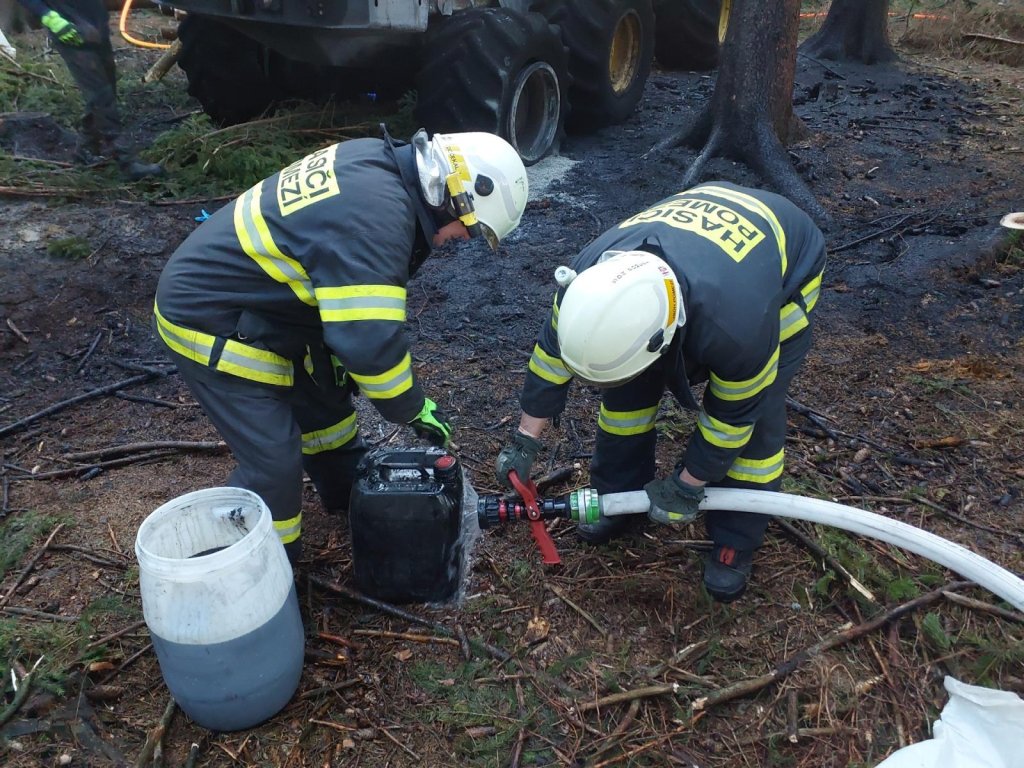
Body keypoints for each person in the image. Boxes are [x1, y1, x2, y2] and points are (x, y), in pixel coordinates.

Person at [154, 127, 528, 563]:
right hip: (209, 315)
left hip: (268, 310)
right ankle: (258, 576)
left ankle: (345, 490)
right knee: (274, 462)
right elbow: (370, 344)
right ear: (456, 194)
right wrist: (411, 408)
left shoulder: (380, 168)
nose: (462, 239)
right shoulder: (377, 218)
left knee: (327, 407)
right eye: (469, 228)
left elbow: (338, 298)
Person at [496, 181, 826, 602]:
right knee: (626, 399)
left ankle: (735, 539)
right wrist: (525, 440)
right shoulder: (587, 284)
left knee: (757, 422)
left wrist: (687, 485)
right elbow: (548, 360)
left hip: (784, 267)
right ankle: (619, 500)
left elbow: (731, 421)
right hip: (696, 249)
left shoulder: (740, 329)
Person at [14, 0, 163, 179]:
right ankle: (126, 161)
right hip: (69, 27)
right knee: (101, 95)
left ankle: (86, 149)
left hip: (96, 24)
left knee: (107, 88)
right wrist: (48, 16)